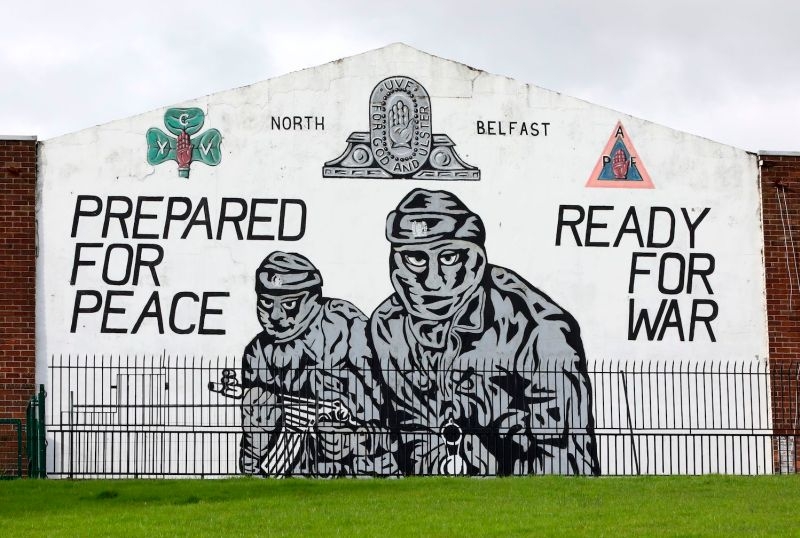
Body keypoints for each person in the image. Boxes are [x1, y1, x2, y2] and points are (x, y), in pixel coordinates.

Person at [370, 189, 600, 476]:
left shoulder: (539, 329)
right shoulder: (389, 326)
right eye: (415, 259)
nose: (431, 280)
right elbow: (411, 432)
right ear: (395, 263)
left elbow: (565, 458)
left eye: (449, 257)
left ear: (476, 260)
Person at [209, 251, 396, 477]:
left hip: (362, 465)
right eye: (266, 302)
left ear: (313, 298)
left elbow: (387, 402)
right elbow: (257, 433)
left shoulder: (346, 325)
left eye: (288, 304)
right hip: (296, 470)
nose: (275, 315)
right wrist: (254, 447)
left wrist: (359, 438)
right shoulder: (258, 351)